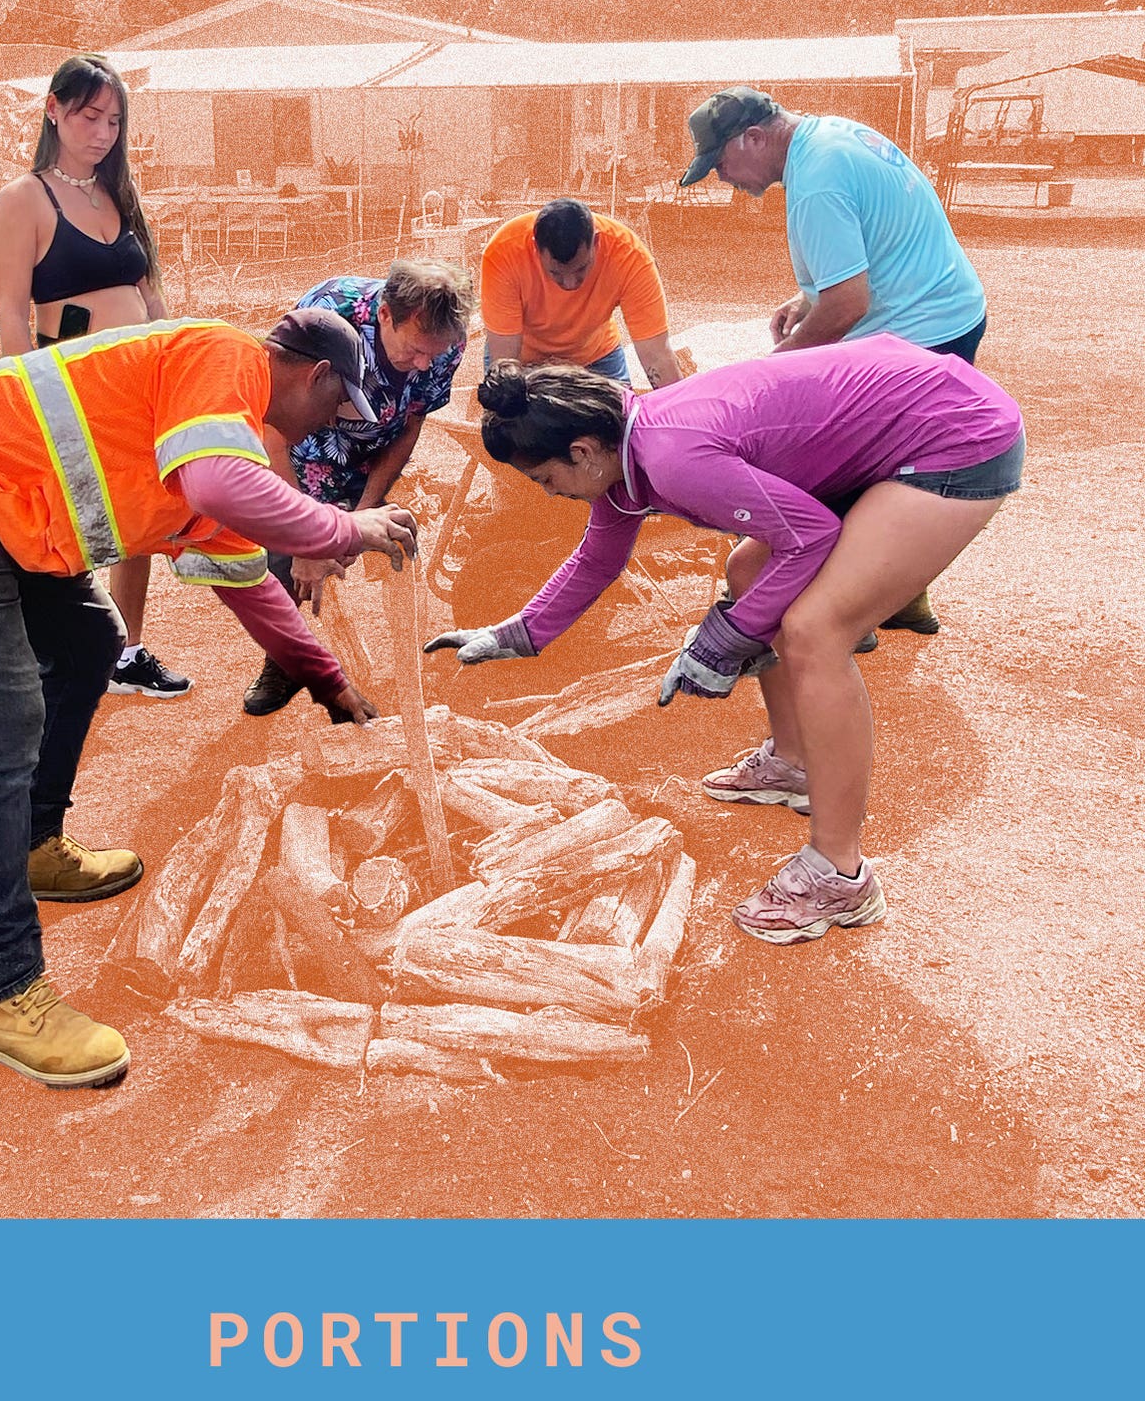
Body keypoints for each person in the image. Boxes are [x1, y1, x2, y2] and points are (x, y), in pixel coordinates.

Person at [0, 309, 418, 1088]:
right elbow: (221, 479)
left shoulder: (209, 470)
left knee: (86, 647)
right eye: (333, 412)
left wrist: (336, 688)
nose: (315, 436)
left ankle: (32, 846)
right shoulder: (225, 359)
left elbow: (256, 593)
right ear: (314, 376)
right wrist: (343, 527)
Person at [424, 338, 1023, 945]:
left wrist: (723, 640)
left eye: (546, 479)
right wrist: (516, 634)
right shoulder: (624, 446)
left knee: (814, 631)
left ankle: (841, 875)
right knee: (748, 575)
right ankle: (795, 764)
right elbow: (598, 557)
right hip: (902, 420)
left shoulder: (674, 457)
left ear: (581, 451)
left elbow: (809, 536)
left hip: (956, 433)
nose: (550, 494)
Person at [679, 86, 991, 633]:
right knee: (899, 474)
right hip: (951, 315)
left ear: (753, 138)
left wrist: (770, 373)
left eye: (720, 163)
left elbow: (848, 304)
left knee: (836, 469)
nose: (723, 178)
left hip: (915, 338)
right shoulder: (834, 135)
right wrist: (809, 296)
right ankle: (902, 597)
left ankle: (842, 619)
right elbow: (869, 244)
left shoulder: (814, 184)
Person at [0, 52, 190, 697]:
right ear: (54, 109)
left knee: (141, 515)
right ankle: (61, 648)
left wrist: (174, 358)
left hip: (144, 382)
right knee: (74, 519)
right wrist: (28, 396)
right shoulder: (25, 198)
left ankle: (124, 652)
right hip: (71, 384)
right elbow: (10, 310)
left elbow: (150, 293)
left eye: (113, 120)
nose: (102, 132)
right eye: (88, 115)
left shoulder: (120, 195)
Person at [242, 259, 472, 718]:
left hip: (372, 460)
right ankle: (283, 662)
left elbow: (411, 424)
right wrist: (309, 538)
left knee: (395, 539)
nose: (425, 363)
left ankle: (414, 665)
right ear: (386, 314)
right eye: (415, 351)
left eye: (434, 353)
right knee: (282, 565)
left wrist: (362, 513)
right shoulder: (329, 313)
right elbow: (271, 429)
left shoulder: (445, 341)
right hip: (303, 458)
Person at [479, 197, 681, 388]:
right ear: (535, 248)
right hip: (524, 357)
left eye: (580, 269)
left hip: (596, 355)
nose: (569, 283)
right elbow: (505, 360)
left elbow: (657, 355)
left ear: (596, 242)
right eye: (555, 273)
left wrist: (680, 414)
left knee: (618, 420)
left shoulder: (629, 255)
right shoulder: (503, 252)